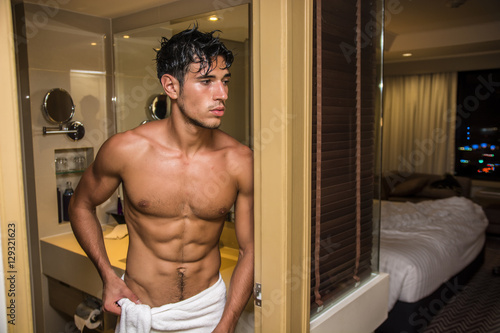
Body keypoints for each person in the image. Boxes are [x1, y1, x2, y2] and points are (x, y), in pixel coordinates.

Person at [69, 26, 254, 333]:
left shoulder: (240, 160)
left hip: (208, 310)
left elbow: (250, 249)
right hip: (143, 310)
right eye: (206, 81)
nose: (222, 94)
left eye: (224, 81)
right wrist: (107, 276)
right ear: (171, 86)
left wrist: (229, 321)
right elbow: (80, 205)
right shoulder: (126, 150)